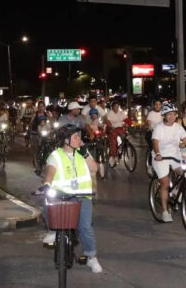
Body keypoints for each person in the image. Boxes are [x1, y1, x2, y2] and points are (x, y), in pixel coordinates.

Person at [38, 124, 102, 273]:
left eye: (79, 136)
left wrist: (86, 154)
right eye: (75, 137)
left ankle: (91, 257)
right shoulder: (56, 155)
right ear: (66, 140)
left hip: (82, 195)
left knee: (85, 227)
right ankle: (53, 231)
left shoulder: (83, 153)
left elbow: (94, 169)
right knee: (47, 203)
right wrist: (47, 184)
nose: (79, 139)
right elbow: (50, 172)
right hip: (62, 195)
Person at [152, 102, 186, 223]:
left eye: (174, 114)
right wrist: (158, 154)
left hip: (175, 155)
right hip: (161, 157)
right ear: (164, 116)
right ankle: (165, 211)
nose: (172, 117)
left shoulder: (178, 127)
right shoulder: (159, 127)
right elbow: (155, 142)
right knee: (165, 183)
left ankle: (178, 191)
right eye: (169, 114)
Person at [105, 102, 128, 166]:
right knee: (113, 142)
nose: (116, 108)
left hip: (119, 128)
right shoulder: (109, 113)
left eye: (118, 106)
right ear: (112, 107)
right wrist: (110, 126)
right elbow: (107, 121)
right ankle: (114, 155)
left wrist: (128, 123)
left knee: (125, 137)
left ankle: (120, 148)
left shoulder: (121, 113)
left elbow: (126, 119)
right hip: (111, 129)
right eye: (115, 106)